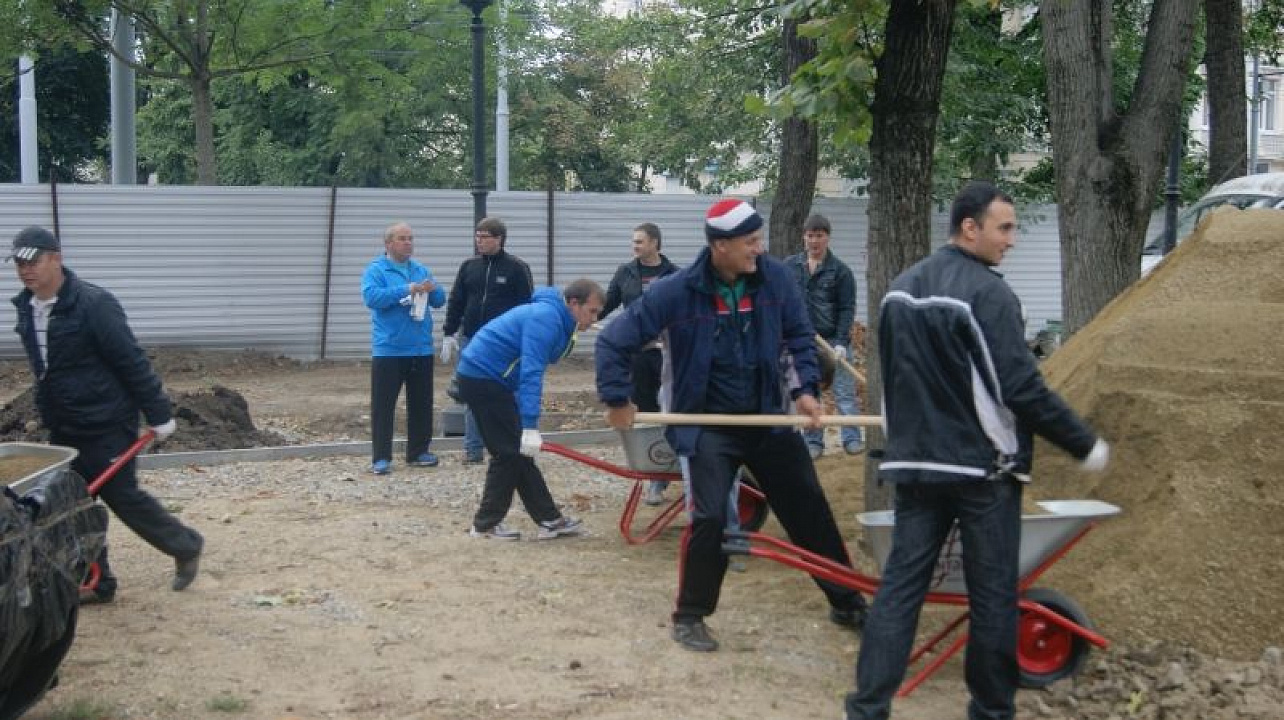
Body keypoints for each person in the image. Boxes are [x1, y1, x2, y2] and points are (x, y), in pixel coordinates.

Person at [843, 181, 1111, 720]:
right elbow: (1020, 387)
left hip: (915, 465)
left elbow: (888, 381)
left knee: (899, 590)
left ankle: (866, 709)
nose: (1011, 240)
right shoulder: (988, 294)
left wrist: (900, 446)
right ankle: (991, 712)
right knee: (992, 597)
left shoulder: (898, 290)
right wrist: (1083, 443)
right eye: (1004, 227)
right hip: (982, 470)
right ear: (971, 228)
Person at [596, 199, 868, 652]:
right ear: (720, 246)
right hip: (706, 425)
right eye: (750, 242)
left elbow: (798, 337)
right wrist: (616, 398)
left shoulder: (775, 280)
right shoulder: (676, 291)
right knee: (710, 517)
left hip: (766, 417)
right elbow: (613, 340)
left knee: (809, 511)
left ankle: (847, 601)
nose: (759, 249)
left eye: (759, 240)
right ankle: (690, 615)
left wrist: (802, 391)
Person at [8, 226, 204, 602]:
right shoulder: (26, 307)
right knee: (70, 504)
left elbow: (130, 360)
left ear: (56, 259)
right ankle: (98, 581)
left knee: (121, 494)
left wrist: (159, 413)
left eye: (32, 260)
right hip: (64, 423)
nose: (25, 269)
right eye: (19, 262)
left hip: (106, 422)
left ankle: (184, 545)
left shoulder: (93, 304)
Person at [457, 279, 604, 541]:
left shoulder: (556, 319)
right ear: (573, 303)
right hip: (484, 378)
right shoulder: (546, 319)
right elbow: (531, 372)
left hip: (490, 378)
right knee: (508, 453)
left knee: (520, 453)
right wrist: (530, 424)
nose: (594, 319)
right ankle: (484, 525)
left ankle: (549, 519)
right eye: (591, 311)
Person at [440, 217, 534, 465]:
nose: (479, 241)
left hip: (504, 344)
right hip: (472, 339)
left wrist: (525, 341)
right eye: (477, 236)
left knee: (508, 393)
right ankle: (473, 449)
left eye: (485, 237)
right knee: (473, 394)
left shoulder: (516, 268)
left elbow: (526, 307)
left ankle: (512, 446)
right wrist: (449, 332)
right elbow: (457, 300)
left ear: (499, 239)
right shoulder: (469, 267)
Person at [599, 222, 679, 506]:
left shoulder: (675, 275)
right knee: (644, 411)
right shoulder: (626, 273)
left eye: (640, 242)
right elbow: (607, 303)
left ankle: (674, 468)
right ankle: (654, 475)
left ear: (655, 243)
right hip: (638, 356)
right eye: (633, 242)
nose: (635, 247)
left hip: (668, 356)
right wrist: (584, 315)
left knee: (669, 409)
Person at [361, 222, 447, 475]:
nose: (408, 243)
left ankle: (419, 451)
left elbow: (440, 300)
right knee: (384, 405)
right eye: (402, 238)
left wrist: (433, 289)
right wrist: (406, 289)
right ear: (388, 244)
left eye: (410, 238)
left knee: (422, 403)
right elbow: (372, 298)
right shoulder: (376, 270)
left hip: (420, 349)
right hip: (389, 349)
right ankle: (381, 457)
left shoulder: (420, 269)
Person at [785, 213, 863, 459]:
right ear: (803, 237)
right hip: (804, 342)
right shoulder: (791, 267)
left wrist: (840, 341)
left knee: (844, 392)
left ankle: (851, 439)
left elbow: (846, 308)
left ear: (827, 238)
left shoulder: (840, 272)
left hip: (832, 341)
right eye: (810, 236)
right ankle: (813, 442)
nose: (814, 241)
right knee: (810, 392)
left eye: (819, 236)